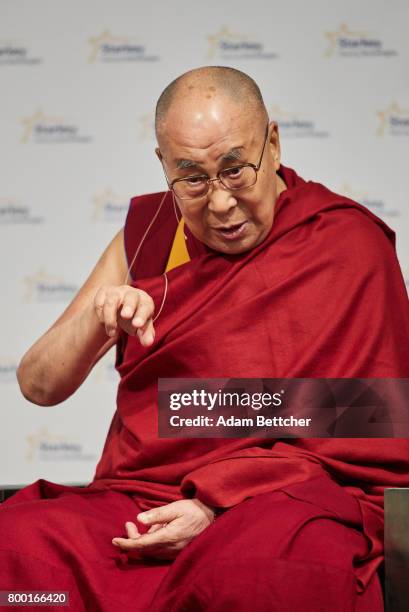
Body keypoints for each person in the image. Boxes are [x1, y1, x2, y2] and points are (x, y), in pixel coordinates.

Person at [1, 66, 409, 611]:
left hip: (278, 498)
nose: (219, 204)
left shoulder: (346, 245)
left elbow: (366, 420)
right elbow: (38, 384)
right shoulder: (149, 232)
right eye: (192, 177)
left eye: (236, 170)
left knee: (264, 570)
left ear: (273, 143)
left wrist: (216, 500)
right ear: (163, 166)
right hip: (145, 497)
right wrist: (100, 317)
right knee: (19, 548)